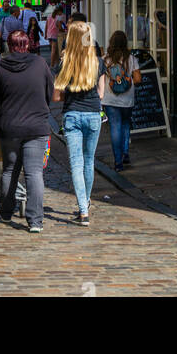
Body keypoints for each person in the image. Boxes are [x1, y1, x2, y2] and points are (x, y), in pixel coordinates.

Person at [0, 29, 55, 232]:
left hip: (10, 127)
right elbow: (49, 92)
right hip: (36, 127)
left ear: (8, 45)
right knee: (34, 173)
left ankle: (6, 212)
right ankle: (35, 220)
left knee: (9, 170)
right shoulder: (40, 64)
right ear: (28, 44)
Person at [52, 22, 105, 226]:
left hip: (72, 115)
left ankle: (83, 209)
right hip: (93, 114)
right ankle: (86, 202)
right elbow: (101, 94)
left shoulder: (64, 63)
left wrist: (71, 92)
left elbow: (56, 97)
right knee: (89, 160)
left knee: (76, 162)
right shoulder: (98, 62)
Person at [102, 30, 141, 172]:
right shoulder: (131, 59)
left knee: (114, 128)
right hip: (127, 100)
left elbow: (98, 79)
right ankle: (125, 153)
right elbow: (138, 79)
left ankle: (118, 162)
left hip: (110, 99)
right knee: (125, 125)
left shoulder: (105, 60)